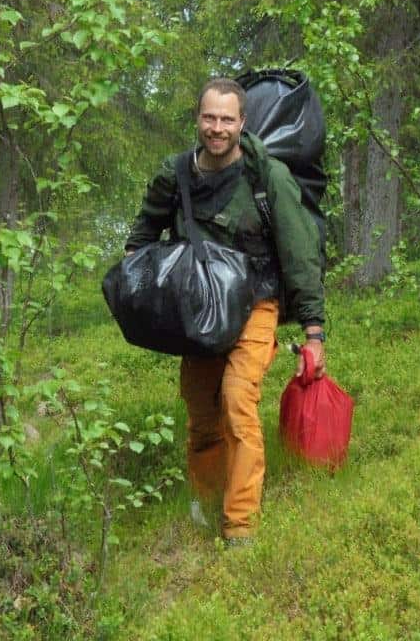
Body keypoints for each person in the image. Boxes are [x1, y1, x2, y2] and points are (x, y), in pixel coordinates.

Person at [123, 77, 326, 544]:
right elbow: (145, 229)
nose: (217, 128)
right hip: (199, 310)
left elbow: (300, 255)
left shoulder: (267, 178)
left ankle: (240, 526)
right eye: (209, 118)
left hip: (256, 303)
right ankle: (207, 498)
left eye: (227, 119)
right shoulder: (176, 174)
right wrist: (137, 274)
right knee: (201, 411)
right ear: (198, 119)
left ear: (242, 122)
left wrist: (314, 334)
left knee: (238, 400)